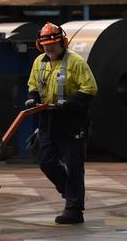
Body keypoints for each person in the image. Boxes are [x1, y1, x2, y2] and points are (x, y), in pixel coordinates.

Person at [26, 22, 98, 224]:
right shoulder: (39, 62)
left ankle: (74, 210)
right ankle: (70, 193)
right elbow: (33, 84)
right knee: (46, 161)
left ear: (63, 42)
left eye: (53, 44)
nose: (49, 48)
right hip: (48, 121)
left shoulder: (76, 62)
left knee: (74, 166)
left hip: (72, 122)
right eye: (45, 45)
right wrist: (32, 97)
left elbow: (90, 89)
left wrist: (70, 104)